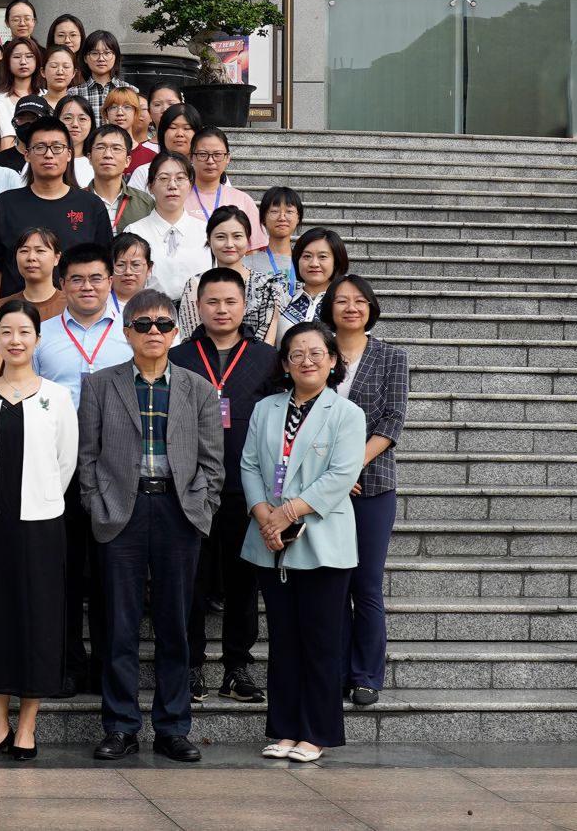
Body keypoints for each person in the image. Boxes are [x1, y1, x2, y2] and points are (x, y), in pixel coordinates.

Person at [78, 289, 224, 763]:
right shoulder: (101, 385)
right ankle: (120, 726)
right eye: (143, 325)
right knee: (118, 627)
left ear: (176, 331)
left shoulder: (198, 388)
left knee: (174, 626)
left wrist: (202, 505)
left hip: (178, 512)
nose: (153, 332)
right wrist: (96, 503)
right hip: (120, 512)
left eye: (162, 324)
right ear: (127, 332)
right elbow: (86, 456)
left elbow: (212, 461)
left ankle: (173, 728)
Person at [241, 322, 366, 762]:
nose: (307, 361)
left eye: (316, 353)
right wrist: (264, 515)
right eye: (296, 354)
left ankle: (315, 733)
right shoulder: (266, 408)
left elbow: (341, 475)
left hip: (322, 540)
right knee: (284, 641)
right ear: (285, 363)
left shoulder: (347, 413)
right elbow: (249, 465)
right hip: (270, 539)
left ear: (332, 361)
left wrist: (287, 512)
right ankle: (285, 729)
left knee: (321, 642)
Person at [0, 297, 79, 759]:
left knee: (38, 619)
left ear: (37, 339)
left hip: (39, 526)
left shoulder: (57, 396)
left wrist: (42, 497)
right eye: (6, 332)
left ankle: (27, 725)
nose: (15, 340)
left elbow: (66, 461)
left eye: (24, 332)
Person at [174, 267, 277, 705]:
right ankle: (191, 665)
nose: (221, 309)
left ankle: (237, 666)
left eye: (230, 301)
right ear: (198, 306)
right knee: (191, 580)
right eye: (212, 302)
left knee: (243, 581)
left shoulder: (266, 358)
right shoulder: (178, 356)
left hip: (245, 486)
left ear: (244, 306)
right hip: (188, 486)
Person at [30, 242, 129, 689]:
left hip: (115, 464)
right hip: (57, 466)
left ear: (111, 281)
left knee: (111, 570)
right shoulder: (42, 334)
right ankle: (68, 662)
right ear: (62, 283)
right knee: (64, 569)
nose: (87, 287)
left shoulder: (132, 330)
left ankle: (108, 666)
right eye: (77, 279)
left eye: (96, 278)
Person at [328, 273, 409, 708]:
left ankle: (366, 675)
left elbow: (393, 419)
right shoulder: (318, 351)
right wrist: (333, 476)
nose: (351, 308)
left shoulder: (392, 356)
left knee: (366, 584)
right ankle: (337, 671)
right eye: (342, 300)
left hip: (372, 485)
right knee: (333, 582)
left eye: (360, 301)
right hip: (322, 488)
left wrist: (350, 466)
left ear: (371, 307)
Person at [0, 117, 111, 317]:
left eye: (57, 147)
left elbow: (104, 269)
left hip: (75, 318)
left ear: (69, 154)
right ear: (27, 154)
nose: (49, 155)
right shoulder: (5, 204)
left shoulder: (91, 205)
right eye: (40, 147)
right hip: (15, 319)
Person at [176, 206, 289, 343]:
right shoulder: (195, 284)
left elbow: (266, 344)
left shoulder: (268, 285)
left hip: (255, 356)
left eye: (237, 236)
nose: (229, 244)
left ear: (248, 239)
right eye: (221, 237)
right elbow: (190, 339)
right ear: (209, 239)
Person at [125, 151, 211, 303]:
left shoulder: (206, 232)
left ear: (190, 185)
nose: (172, 185)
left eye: (180, 178)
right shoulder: (134, 233)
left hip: (199, 314)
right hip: (149, 314)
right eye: (164, 178)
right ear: (150, 186)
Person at [87, 124, 155, 235]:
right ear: (89, 157)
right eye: (100, 147)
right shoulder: (75, 201)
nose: (108, 155)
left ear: (128, 161)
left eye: (116, 149)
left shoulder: (145, 203)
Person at [243, 185, 305, 296]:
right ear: (263, 218)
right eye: (274, 211)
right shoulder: (247, 264)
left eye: (289, 211)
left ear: (298, 218)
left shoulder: (306, 262)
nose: (282, 217)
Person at [127, 103, 202, 191]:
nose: (179, 134)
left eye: (187, 128)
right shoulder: (144, 173)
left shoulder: (204, 172)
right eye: (173, 127)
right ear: (162, 133)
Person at [283, 227, 349, 325]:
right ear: (297, 261)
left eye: (322, 256)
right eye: (307, 256)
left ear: (336, 262)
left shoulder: (348, 307)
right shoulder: (282, 303)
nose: (314, 264)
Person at [69, 30, 136, 108]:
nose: (101, 58)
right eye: (94, 53)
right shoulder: (74, 94)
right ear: (85, 58)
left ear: (116, 57)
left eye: (107, 53)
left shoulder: (131, 91)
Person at [12, 227, 67, 321]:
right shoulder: (0, 307)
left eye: (40, 251)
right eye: (24, 251)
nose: (31, 257)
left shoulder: (74, 306)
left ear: (56, 258)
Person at [0, 36, 42, 102]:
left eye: (29, 56)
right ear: (8, 61)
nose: (23, 62)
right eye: (17, 57)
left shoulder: (45, 96)